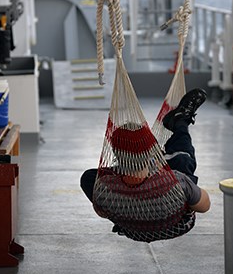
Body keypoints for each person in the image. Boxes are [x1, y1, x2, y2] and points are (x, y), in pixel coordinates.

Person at [80, 88, 211, 234]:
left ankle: (128, 214)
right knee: (182, 157)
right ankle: (181, 122)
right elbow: (204, 206)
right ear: (152, 152)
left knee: (89, 177)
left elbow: (102, 212)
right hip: (174, 225)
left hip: (131, 227)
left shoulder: (105, 187)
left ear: (115, 154)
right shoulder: (176, 181)